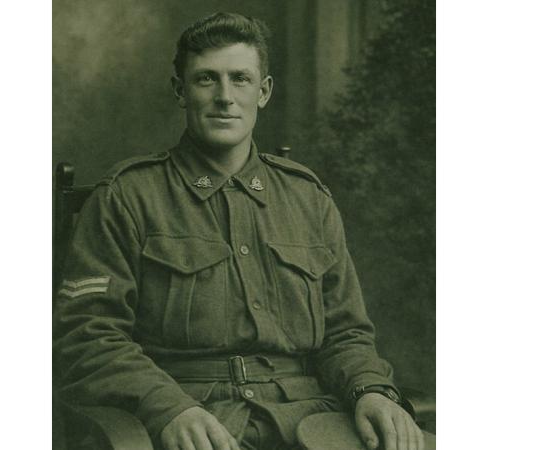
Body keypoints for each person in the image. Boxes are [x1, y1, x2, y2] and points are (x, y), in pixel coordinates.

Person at [55, 12, 426, 450]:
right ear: (180, 90)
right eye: (206, 79)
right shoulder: (129, 196)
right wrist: (167, 407)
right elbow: (89, 336)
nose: (224, 97)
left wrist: (371, 390)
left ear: (263, 92)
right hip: (195, 421)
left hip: (311, 419)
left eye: (241, 80)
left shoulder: (308, 199)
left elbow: (346, 333)